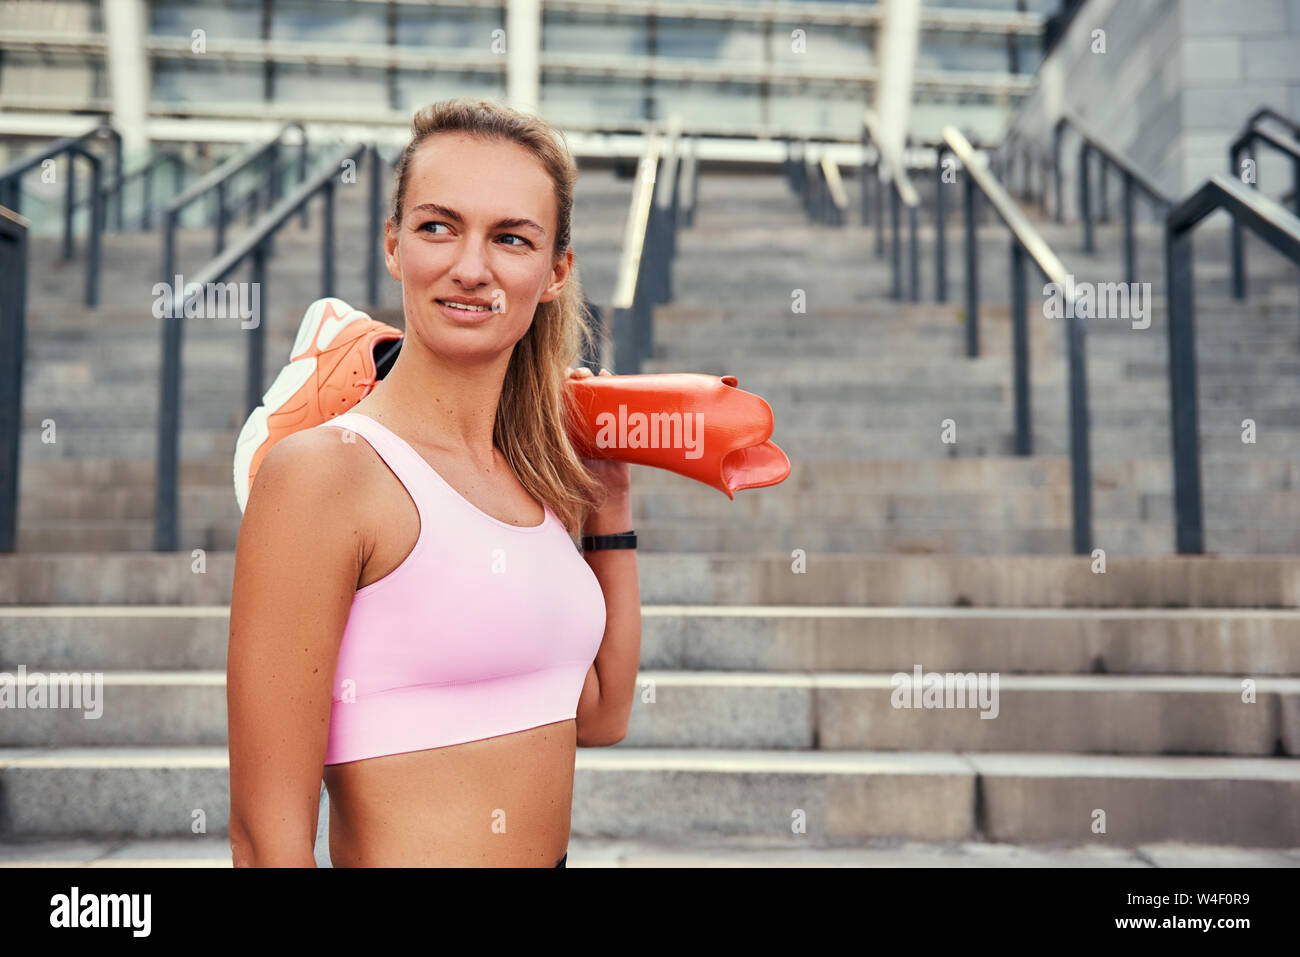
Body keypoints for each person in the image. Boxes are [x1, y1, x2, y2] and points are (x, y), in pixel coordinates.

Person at [227, 98, 642, 867]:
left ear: (555, 272)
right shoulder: (326, 475)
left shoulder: (535, 485)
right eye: (437, 226)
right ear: (393, 244)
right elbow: (265, 839)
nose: (471, 267)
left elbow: (603, 712)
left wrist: (607, 502)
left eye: (510, 238)